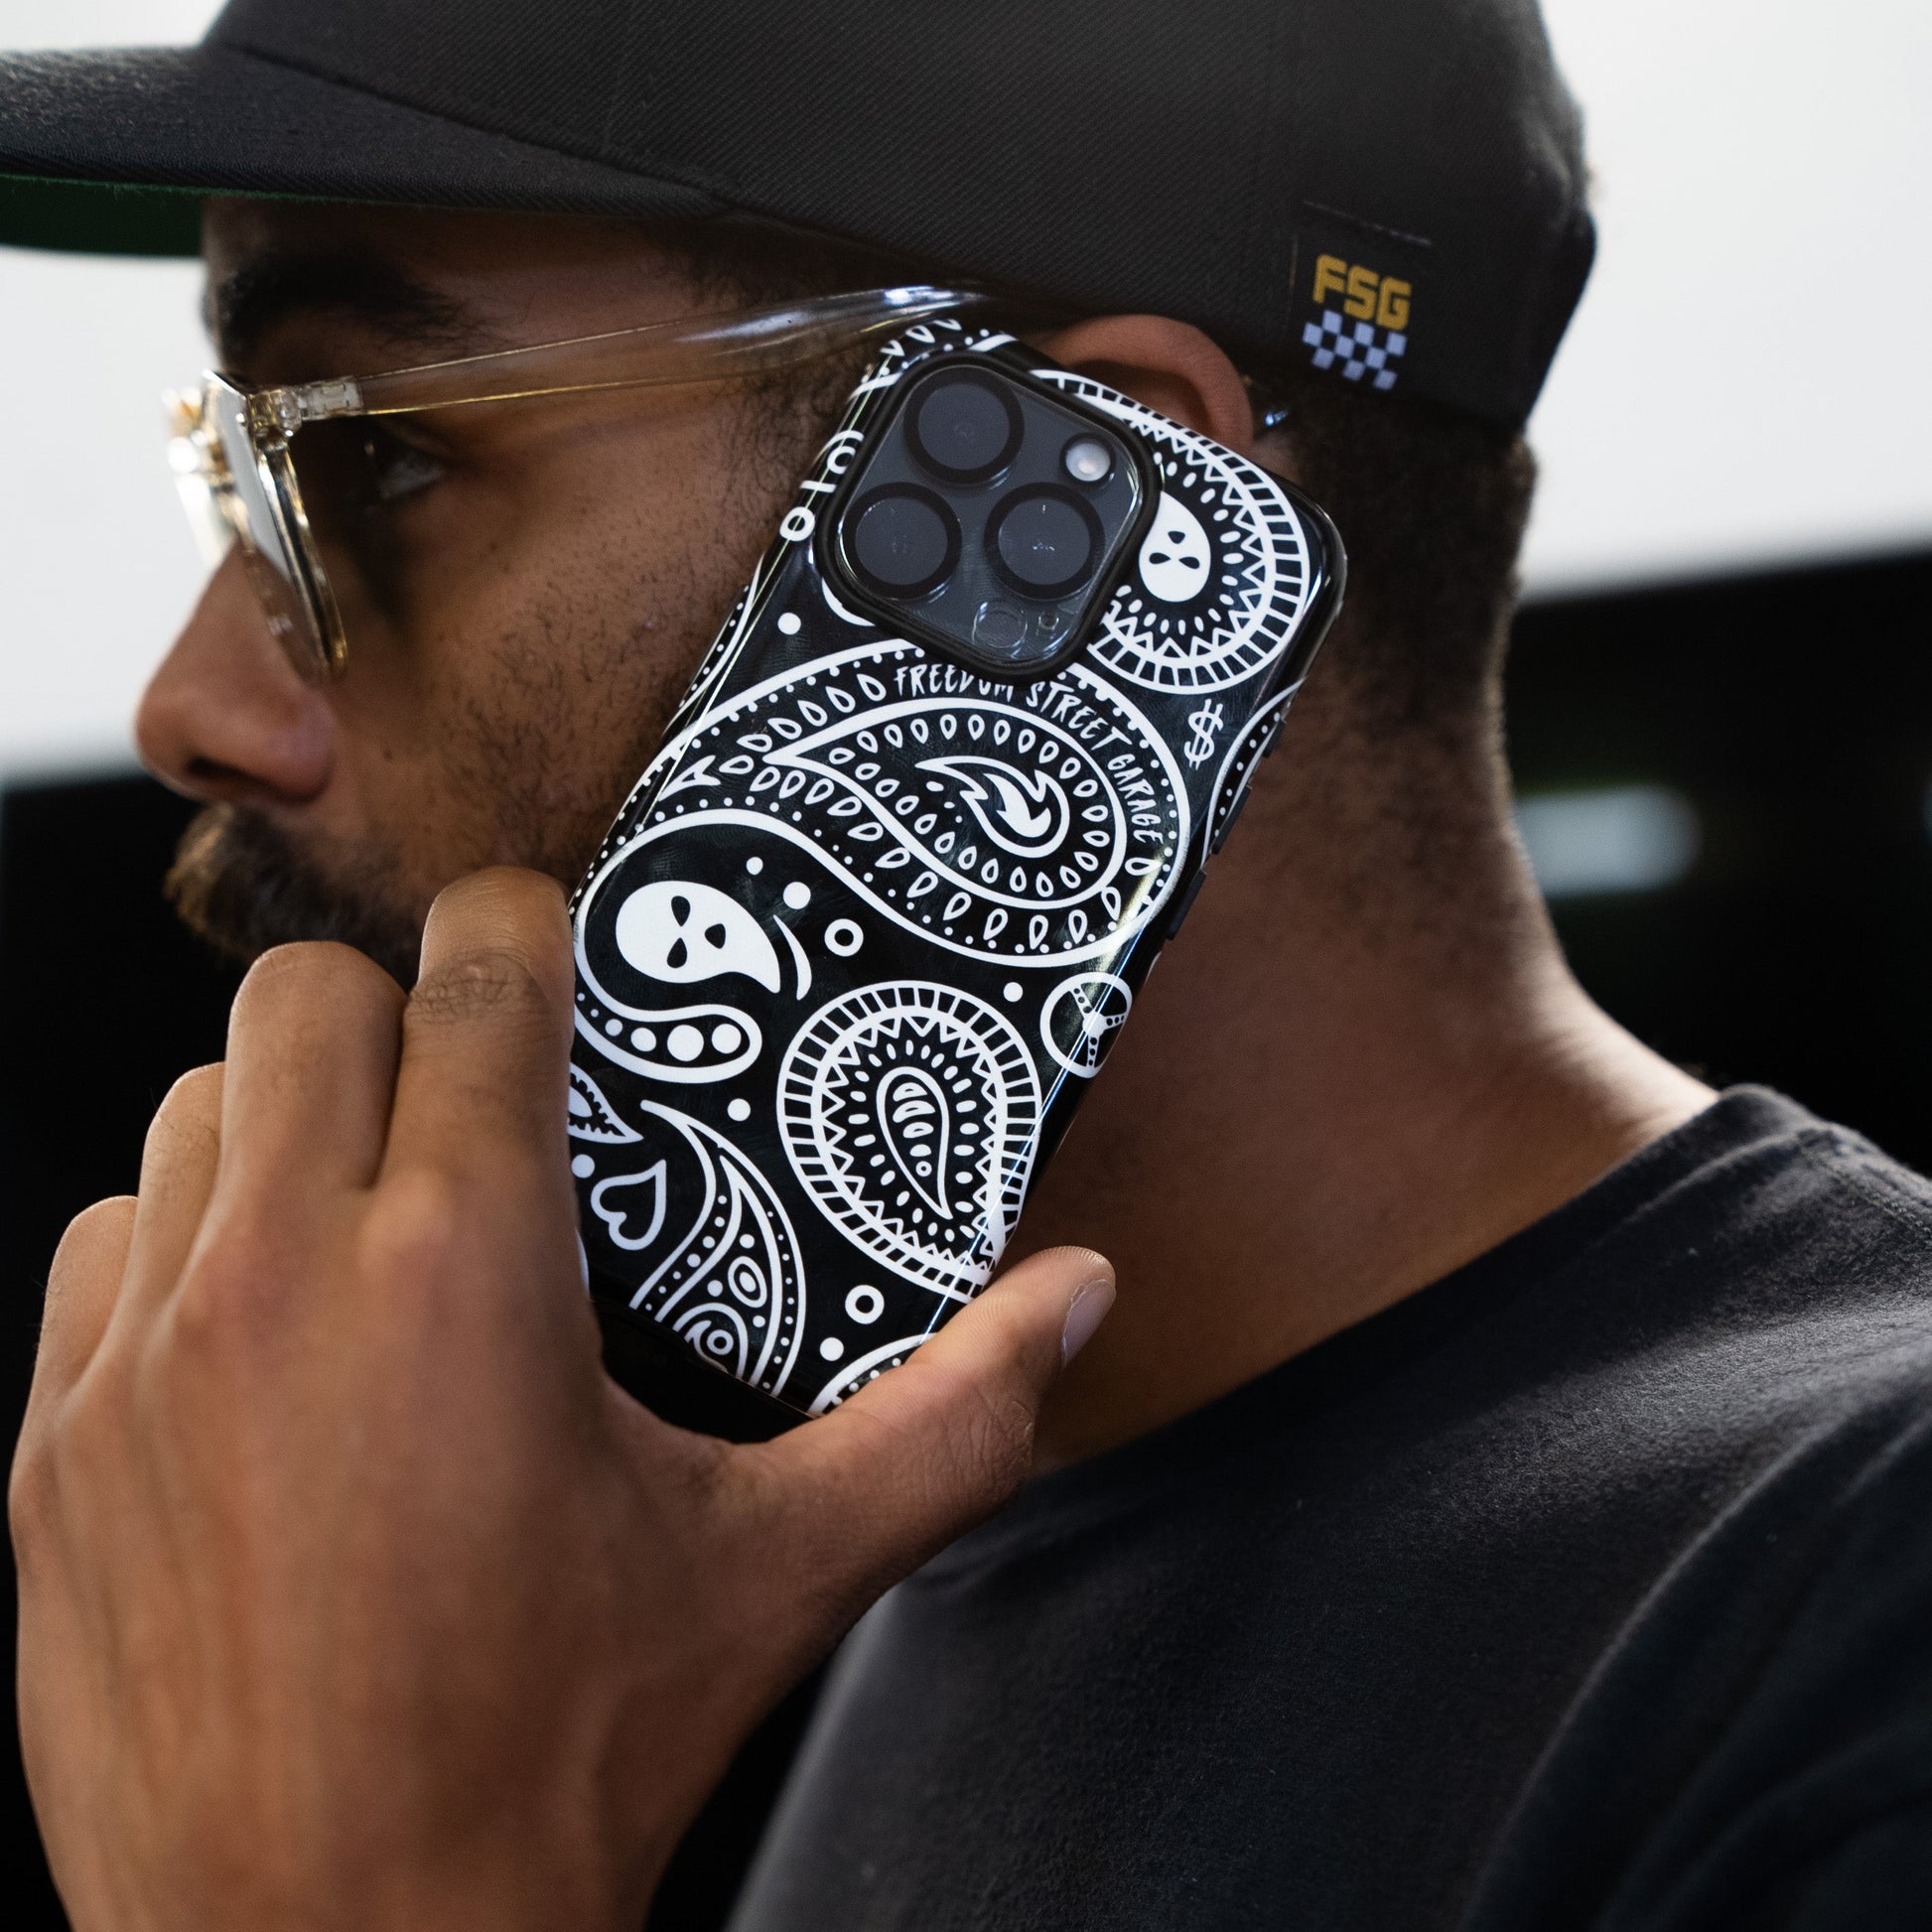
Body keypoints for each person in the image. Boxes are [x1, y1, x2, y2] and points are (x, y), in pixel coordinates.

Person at [5, 2, 1930, 1927]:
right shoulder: (886, 1567)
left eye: (380, 465)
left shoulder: (1854, 1604)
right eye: (233, 472)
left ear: (1084, 519)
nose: (192, 705)